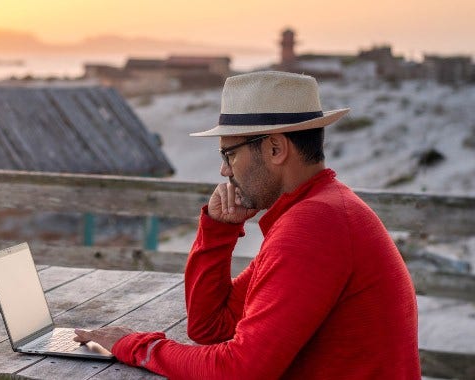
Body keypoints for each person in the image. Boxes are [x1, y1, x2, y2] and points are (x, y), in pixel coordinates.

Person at [72, 71, 419, 379]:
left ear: (274, 148)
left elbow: (241, 370)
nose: (225, 170)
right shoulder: (321, 210)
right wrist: (217, 232)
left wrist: (132, 345)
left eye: (230, 154)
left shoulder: (314, 225)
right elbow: (210, 327)